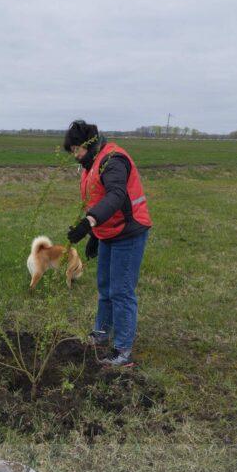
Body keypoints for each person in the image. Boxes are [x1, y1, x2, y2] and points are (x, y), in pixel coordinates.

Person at [65, 120, 151, 367]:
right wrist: (96, 234)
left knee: (121, 291)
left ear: (90, 144)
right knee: (105, 286)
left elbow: (116, 195)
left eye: (77, 150)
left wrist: (88, 223)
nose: (76, 156)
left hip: (129, 231)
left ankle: (122, 350)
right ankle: (102, 333)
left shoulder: (113, 161)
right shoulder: (91, 163)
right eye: (72, 151)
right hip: (108, 231)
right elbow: (99, 199)